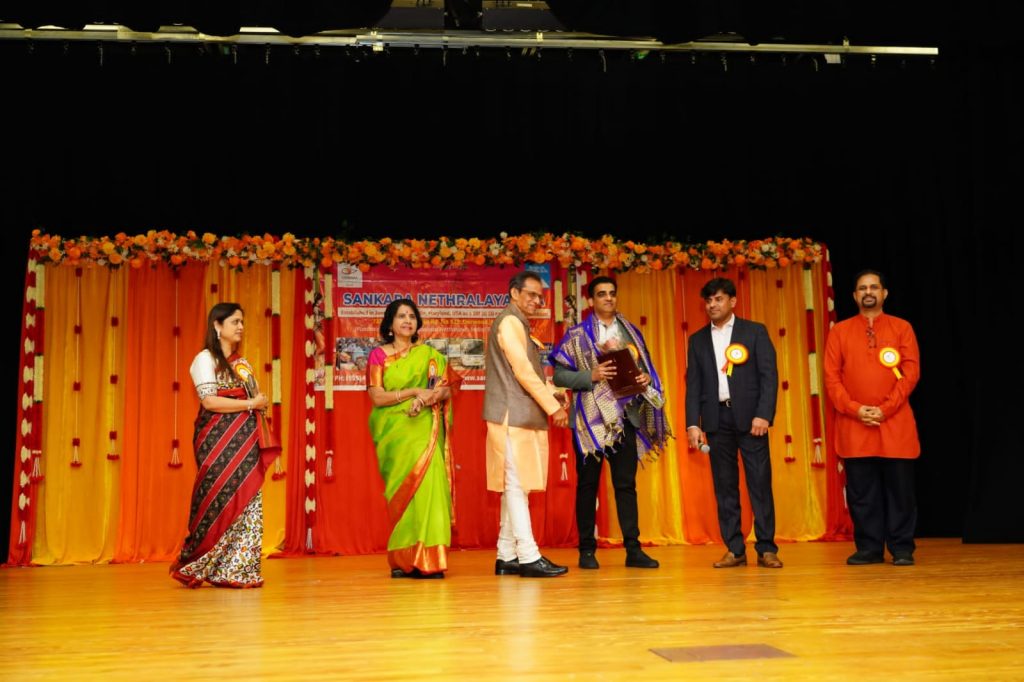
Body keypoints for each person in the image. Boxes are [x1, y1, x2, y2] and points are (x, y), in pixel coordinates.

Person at [550, 276, 670, 569]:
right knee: (587, 485)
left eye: (612, 293)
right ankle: (586, 551)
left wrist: (645, 378)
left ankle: (633, 550)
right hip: (589, 422)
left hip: (625, 418)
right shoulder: (577, 335)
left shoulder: (631, 333)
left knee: (626, 485)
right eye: (602, 294)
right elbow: (559, 376)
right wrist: (589, 376)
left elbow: (645, 369)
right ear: (591, 300)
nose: (608, 298)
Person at [171, 302, 273, 588]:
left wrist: (258, 403)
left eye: (242, 322)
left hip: (246, 440)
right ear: (217, 326)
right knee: (218, 498)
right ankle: (199, 563)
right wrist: (251, 403)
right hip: (217, 440)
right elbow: (209, 401)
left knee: (248, 499)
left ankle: (237, 570)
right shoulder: (204, 359)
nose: (241, 327)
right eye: (235, 322)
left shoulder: (242, 363)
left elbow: (253, 397)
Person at [824, 270, 921, 566]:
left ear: (884, 293)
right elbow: (831, 378)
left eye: (874, 287)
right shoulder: (840, 331)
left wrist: (885, 409)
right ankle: (869, 548)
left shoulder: (902, 327)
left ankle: (902, 548)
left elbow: (910, 373)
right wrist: (855, 409)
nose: (868, 292)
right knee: (862, 492)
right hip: (855, 424)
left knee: (900, 491)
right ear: (855, 296)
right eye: (863, 288)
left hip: (895, 422)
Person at [685, 277, 782, 569]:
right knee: (725, 487)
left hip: (752, 420)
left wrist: (763, 414)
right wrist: (693, 424)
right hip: (716, 421)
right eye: (708, 300)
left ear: (732, 301)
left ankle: (766, 549)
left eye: (718, 299)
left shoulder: (754, 332)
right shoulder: (697, 340)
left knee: (759, 484)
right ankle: (735, 549)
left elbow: (769, 376)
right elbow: (693, 386)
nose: (712, 305)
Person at [483, 271, 570, 578]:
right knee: (516, 484)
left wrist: (553, 392)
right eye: (531, 294)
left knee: (515, 486)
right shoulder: (509, 322)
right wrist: (552, 407)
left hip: (519, 414)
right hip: (512, 415)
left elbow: (528, 372)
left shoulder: (518, 323)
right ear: (514, 293)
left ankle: (506, 555)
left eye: (539, 296)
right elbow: (522, 370)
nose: (536, 300)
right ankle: (529, 557)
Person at [367, 299, 457, 579]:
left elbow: (446, 389)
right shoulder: (378, 356)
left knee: (430, 487)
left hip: (424, 427)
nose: (407, 320)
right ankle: (404, 558)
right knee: (403, 494)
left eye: (412, 316)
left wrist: (429, 396)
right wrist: (413, 392)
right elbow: (377, 397)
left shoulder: (430, 356)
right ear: (390, 324)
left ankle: (430, 558)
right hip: (394, 431)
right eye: (401, 316)